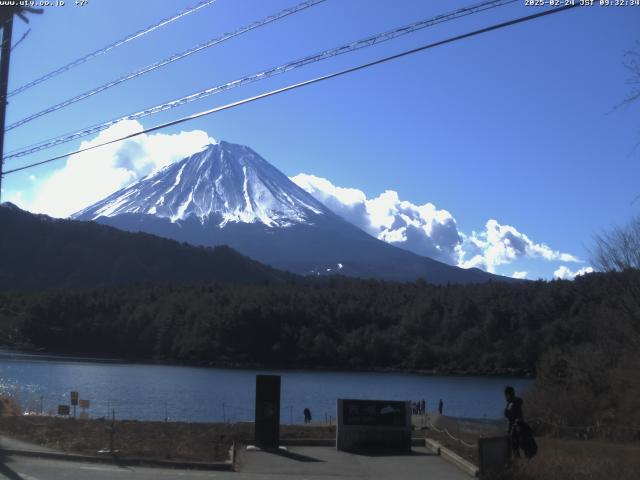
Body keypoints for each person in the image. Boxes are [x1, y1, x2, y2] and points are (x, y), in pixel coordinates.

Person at [504, 386, 537, 458]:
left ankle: (518, 463)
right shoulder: (517, 401)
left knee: (515, 448)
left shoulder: (511, 404)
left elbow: (510, 416)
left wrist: (507, 413)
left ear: (508, 395)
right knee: (524, 446)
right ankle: (526, 460)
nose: (505, 397)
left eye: (505, 395)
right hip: (521, 425)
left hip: (515, 429)